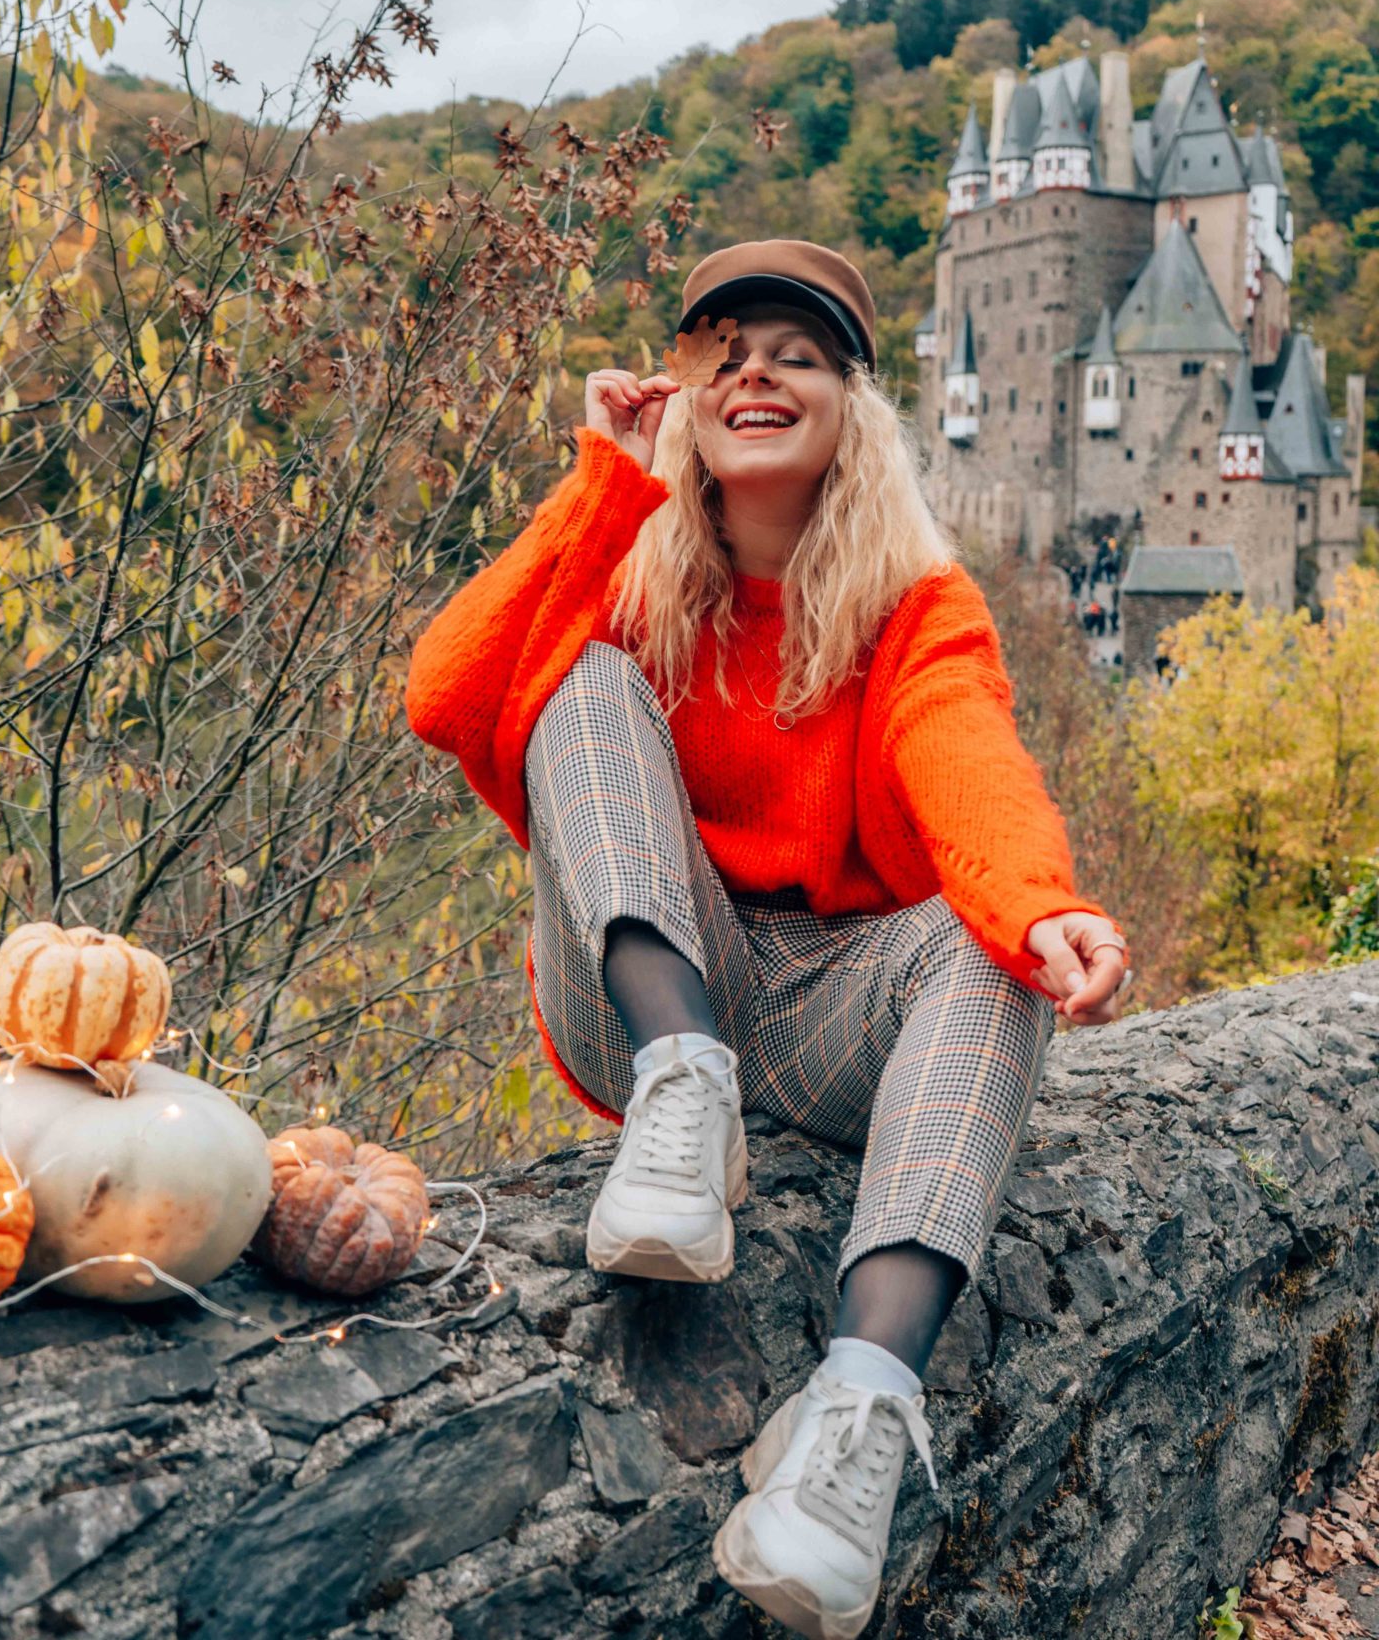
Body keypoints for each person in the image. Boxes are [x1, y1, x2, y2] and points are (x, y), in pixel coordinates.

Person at [405, 239, 1128, 1640]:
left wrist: (1043, 907)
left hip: (829, 1014)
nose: (754, 373)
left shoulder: (919, 606)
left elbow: (965, 757)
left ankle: (853, 1429)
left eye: (795, 355)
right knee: (583, 678)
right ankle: (687, 1105)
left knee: (985, 950)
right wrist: (601, 482)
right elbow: (449, 694)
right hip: (649, 993)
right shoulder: (632, 566)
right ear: (686, 401)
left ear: (855, 404)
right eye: (724, 353)